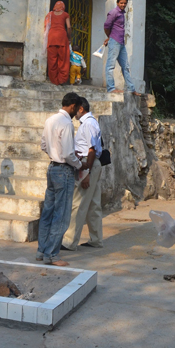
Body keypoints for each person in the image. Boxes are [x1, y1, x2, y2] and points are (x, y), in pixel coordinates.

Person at [36, 92, 87, 266]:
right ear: (72, 106)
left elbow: (44, 145)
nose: (76, 113)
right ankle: (51, 255)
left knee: (48, 212)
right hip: (64, 170)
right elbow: (67, 154)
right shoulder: (66, 123)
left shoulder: (50, 120)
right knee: (62, 215)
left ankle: (42, 251)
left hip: (52, 168)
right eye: (76, 109)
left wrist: (54, 153)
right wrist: (79, 164)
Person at [61, 97, 104, 251]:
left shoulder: (88, 124)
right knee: (93, 204)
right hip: (92, 164)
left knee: (77, 204)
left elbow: (91, 150)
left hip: (88, 164)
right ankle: (96, 239)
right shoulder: (90, 123)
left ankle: (69, 241)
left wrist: (87, 172)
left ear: (80, 109)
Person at [104, 0, 139, 95]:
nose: (123, 5)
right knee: (110, 65)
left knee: (125, 66)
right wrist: (110, 37)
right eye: (121, 3)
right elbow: (106, 26)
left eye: (125, 3)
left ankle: (131, 89)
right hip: (115, 42)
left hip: (121, 43)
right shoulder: (113, 13)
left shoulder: (122, 13)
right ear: (117, 3)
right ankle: (111, 88)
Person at [44, 1, 71, 85]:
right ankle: (61, 80)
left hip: (52, 37)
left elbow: (46, 26)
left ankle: (54, 80)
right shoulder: (65, 14)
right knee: (63, 60)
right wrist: (69, 38)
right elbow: (69, 27)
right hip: (62, 38)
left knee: (52, 60)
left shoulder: (50, 14)